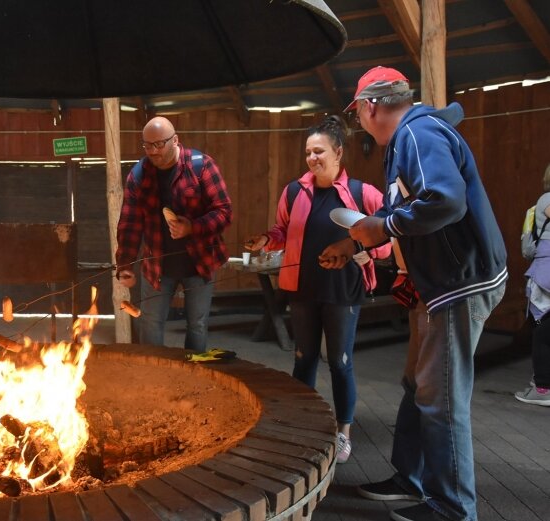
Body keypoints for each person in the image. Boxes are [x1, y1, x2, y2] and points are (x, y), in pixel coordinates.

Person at [345, 66, 507, 521]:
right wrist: (362, 239)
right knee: (417, 385)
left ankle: (453, 508)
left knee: (441, 399)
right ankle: (410, 479)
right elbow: (410, 215)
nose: (358, 120)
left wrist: (385, 225)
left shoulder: (417, 134)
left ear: (370, 106)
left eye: (356, 112)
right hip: (440, 285)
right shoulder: (407, 141)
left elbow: (445, 200)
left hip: (460, 284)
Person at [244, 115, 391, 465]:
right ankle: (302, 425)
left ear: (338, 153)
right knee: (303, 358)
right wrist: (267, 239)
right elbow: (281, 230)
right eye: (308, 152)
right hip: (304, 288)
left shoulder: (362, 194)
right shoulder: (294, 192)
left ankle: (343, 433)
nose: (312, 158)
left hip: (343, 290)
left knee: (340, 362)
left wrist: (357, 250)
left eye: (319, 151)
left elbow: (385, 241)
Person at [115, 116, 232, 352]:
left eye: (159, 144)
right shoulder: (138, 175)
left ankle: (193, 376)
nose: (153, 151)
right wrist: (125, 264)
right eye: (148, 145)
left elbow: (224, 212)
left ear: (175, 140)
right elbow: (130, 222)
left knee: (197, 325)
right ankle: (153, 377)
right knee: (150, 324)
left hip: (199, 263)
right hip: (158, 265)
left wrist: (192, 227)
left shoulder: (202, 167)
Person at [514, 163, 550, 406]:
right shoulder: (547, 199)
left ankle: (543, 387)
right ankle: (543, 387)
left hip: (545, 271)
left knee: (544, 333)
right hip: (546, 272)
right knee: (543, 332)